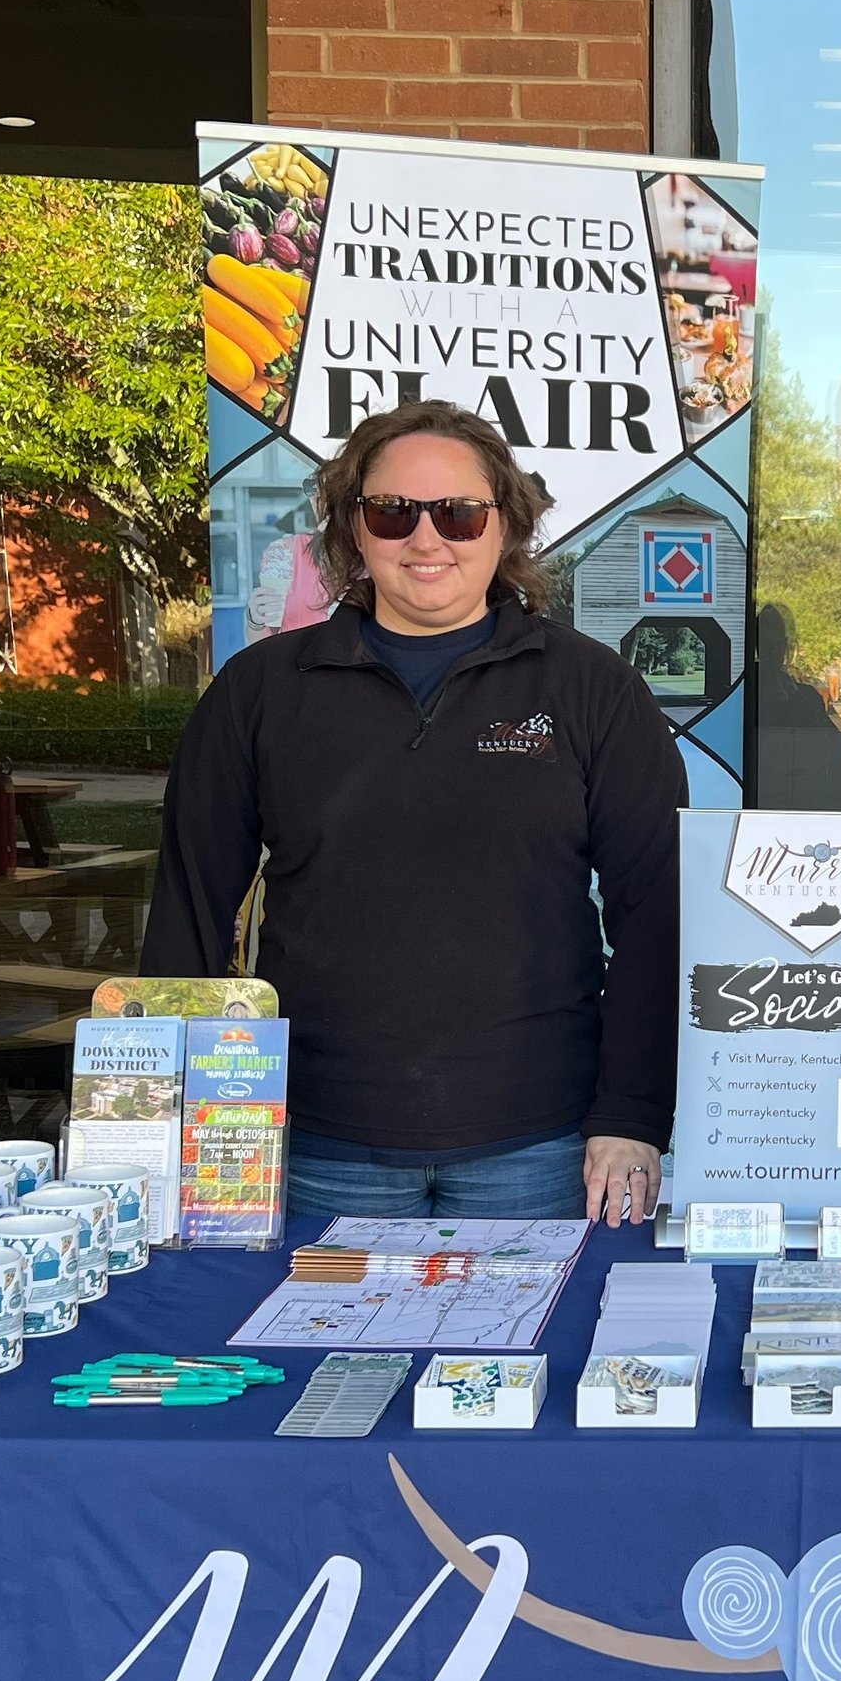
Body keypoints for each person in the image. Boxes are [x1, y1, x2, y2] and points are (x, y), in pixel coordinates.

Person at [145, 400, 686, 1225]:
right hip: (314, 1145)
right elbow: (189, 910)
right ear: (353, 529)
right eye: (393, 512)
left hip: (543, 1144)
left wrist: (634, 1112)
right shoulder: (260, 693)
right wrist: (163, 1116)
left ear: (505, 527)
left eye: (460, 514)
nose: (426, 540)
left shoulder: (592, 690)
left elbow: (660, 912)